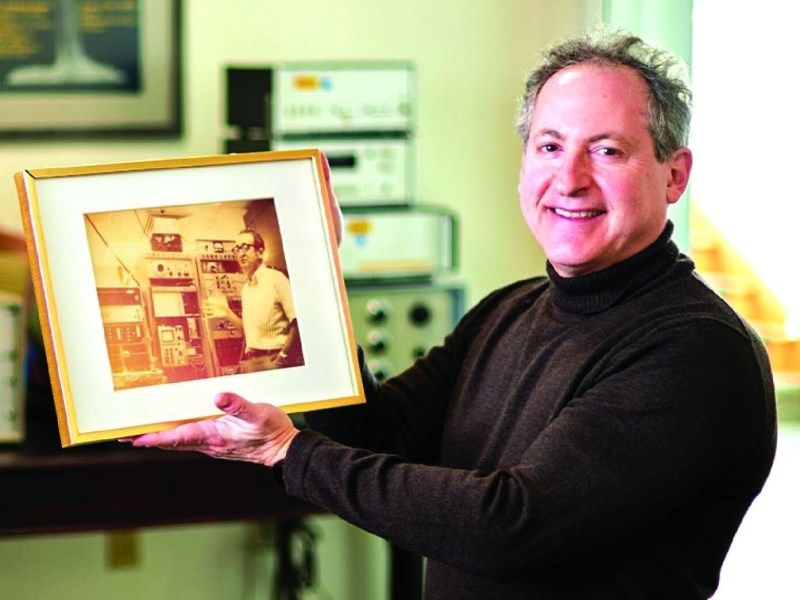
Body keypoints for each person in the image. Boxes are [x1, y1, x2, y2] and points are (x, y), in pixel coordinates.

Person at [127, 27, 777, 599]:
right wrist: (311, 283)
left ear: (674, 174)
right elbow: (383, 435)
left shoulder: (696, 351)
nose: (570, 178)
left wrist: (286, 451)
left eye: (606, 151)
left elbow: (511, 526)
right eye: (549, 146)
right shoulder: (511, 309)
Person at [205, 228, 302, 371]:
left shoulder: (276, 279)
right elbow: (248, 332)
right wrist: (227, 313)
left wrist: (284, 355)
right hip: (252, 360)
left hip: (275, 359)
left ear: (260, 252)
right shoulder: (246, 289)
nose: (241, 253)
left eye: (245, 247)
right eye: (237, 249)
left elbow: (298, 320)